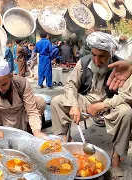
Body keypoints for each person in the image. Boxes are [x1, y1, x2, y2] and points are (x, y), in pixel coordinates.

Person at [50, 31, 131, 179]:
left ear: (110, 54)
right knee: (57, 101)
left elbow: (126, 96)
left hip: (110, 104)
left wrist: (103, 105)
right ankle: (64, 143)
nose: (96, 60)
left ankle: (115, 160)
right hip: (86, 100)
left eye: (102, 56)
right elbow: (71, 84)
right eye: (94, 54)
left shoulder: (121, 66)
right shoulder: (84, 62)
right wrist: (74, 105)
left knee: (126, 112)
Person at [0, 61, 48, 140]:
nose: (1, 89)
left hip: (20, 115)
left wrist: (37, 131)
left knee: (39, 101)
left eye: (4, 84)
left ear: (11, 76)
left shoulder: (22, 83)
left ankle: (29, 131)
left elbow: (32, 111)